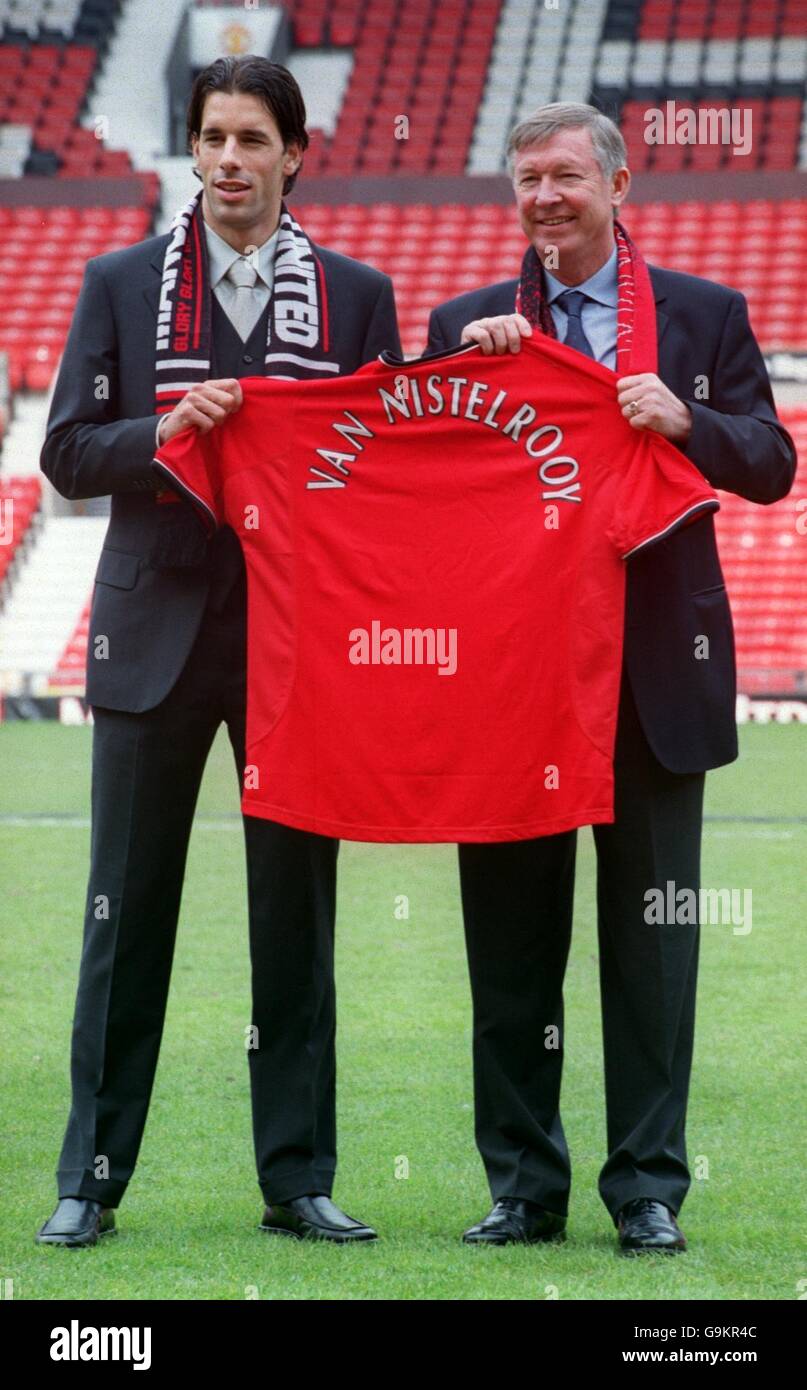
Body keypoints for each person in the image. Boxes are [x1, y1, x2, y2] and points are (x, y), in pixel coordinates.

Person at [37, 56, 400, 1248]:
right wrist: (163, 434)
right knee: (123, 913)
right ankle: (90, 1176)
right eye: (213, 137)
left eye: (254, 138)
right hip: (152, 633)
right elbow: (70, 453)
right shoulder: (120, 280)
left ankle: (296, 1176)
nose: (232, 159)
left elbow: (382, 471)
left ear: (297, 152)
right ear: (192, 150)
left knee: (295, 914)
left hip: (299, 645)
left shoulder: (357, 296)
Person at [427, 102, 796, 1253]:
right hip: (512, 684)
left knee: (652, 946)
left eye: (566, 178)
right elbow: (424, 496)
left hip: (651, 679)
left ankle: (646, 1187)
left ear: (620, 186)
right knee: (511, 945)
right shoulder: (467, 321)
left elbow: (774, 463)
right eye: (527, 179)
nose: (544, 197)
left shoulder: (701, 314)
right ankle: (523, 1187)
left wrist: (685, 420)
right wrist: (457, 391)